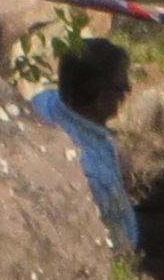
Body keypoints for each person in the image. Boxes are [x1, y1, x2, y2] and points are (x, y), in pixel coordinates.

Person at [32, 38, 136, 251]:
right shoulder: (94, 176)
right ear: (102, 98)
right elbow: (118, 241)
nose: (128, 88)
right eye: (122, 87)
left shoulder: (42, 102)